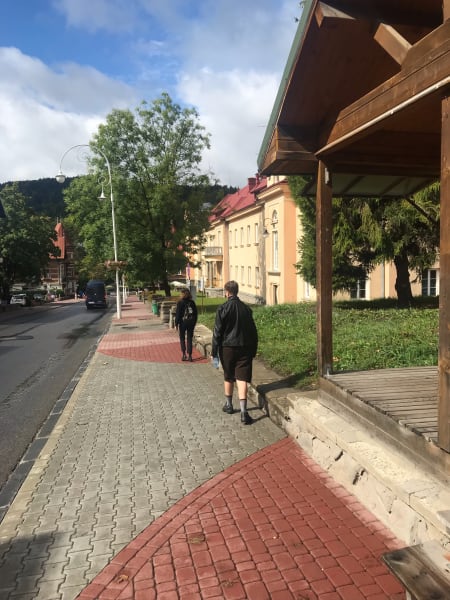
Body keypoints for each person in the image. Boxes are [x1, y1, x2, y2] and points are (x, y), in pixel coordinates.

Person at [211, 280, 258, 425]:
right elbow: (253, 331)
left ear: (226, 292)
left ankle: (229, 405)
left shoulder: (223, 308)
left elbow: (217, 332)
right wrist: (253, 349)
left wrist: (214, 351)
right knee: (242, 378)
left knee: (229, 375)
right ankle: (244, 412)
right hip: (245, 347)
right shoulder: (246, 309)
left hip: (227, 348)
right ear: (237, 291)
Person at [175, 288, 198, 362]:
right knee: (189, 339)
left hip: (182, 323)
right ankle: (190, 355)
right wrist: (194, 322)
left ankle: (184, 354)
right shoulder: (192, 302)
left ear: (182, 294)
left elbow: (178, 314)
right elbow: (195, 314)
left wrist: (176, 324)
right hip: (191, 322)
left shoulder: (180, 302)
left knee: (182, 338)